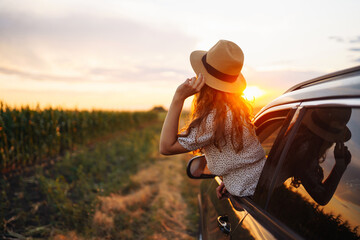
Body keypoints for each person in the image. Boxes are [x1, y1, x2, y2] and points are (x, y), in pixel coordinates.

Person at [159, 40, 266, 199]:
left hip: (250, 195)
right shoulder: (237, 111)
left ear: (205, 81)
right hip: (261, 185)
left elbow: (166, 147)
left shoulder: (216, 118)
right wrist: (232, 179)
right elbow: (244, 158)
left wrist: (178, 98)